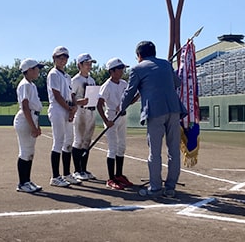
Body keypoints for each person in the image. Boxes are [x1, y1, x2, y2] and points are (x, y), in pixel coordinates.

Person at [120, 41, 186, 198]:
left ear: (139, 56)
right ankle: (170, 187)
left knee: (154, 152)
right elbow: (178, 83)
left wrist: (121, 107)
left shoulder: (137, 68)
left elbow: (130, 92)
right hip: (174, 109)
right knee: (173, 151)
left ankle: (155, 188)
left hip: (155, 111)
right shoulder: (166, 64)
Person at [97, 57, 135, 190]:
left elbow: (130, 100)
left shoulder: (124, 83)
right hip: (112, 116)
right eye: (119, 69)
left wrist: (140, 93)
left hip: (122, 115)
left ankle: (119, 175)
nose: (122, 71)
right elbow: (99, 104)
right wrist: (106, 121)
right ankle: (111, 178)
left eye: (122, 69)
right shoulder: (106, 86)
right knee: (112, 148)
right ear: (112, 71)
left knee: (122, 146)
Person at [47, 46, 81, 187]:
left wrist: (74, 107)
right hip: (58, 108)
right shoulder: (53, 74)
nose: (63, 60)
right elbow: (57, 95)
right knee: (58, 141)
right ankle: (55, 176)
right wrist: (69, 109)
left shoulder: (67, 76)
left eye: (65, 57)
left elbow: (71, 94)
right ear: (54, 58)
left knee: (68, 141)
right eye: (60, 57)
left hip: (67, 108)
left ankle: (67, 174)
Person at [13, 58, 45, 193]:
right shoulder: (25, 84)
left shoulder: (31, 85)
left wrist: (36, 125)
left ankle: (27, 180)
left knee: (30, 152)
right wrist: (33, 126)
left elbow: (34, 107)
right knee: (25, 152)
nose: (39, 71)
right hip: (25, 119)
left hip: (31, 117)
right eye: (37, 68)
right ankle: (22, 183)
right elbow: (26, 106)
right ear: (30, 70)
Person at [71, 53, 97, 181]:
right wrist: (80, 102)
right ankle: (77, 170)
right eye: (86, 63)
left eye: (90, 63)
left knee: (87, 141)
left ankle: (84, 168)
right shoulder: (75, 80)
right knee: (79, 140)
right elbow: (71, 98)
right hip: (80, 112)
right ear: (79, 65)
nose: (89, 66)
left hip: (90, 111)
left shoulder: (91, 80)